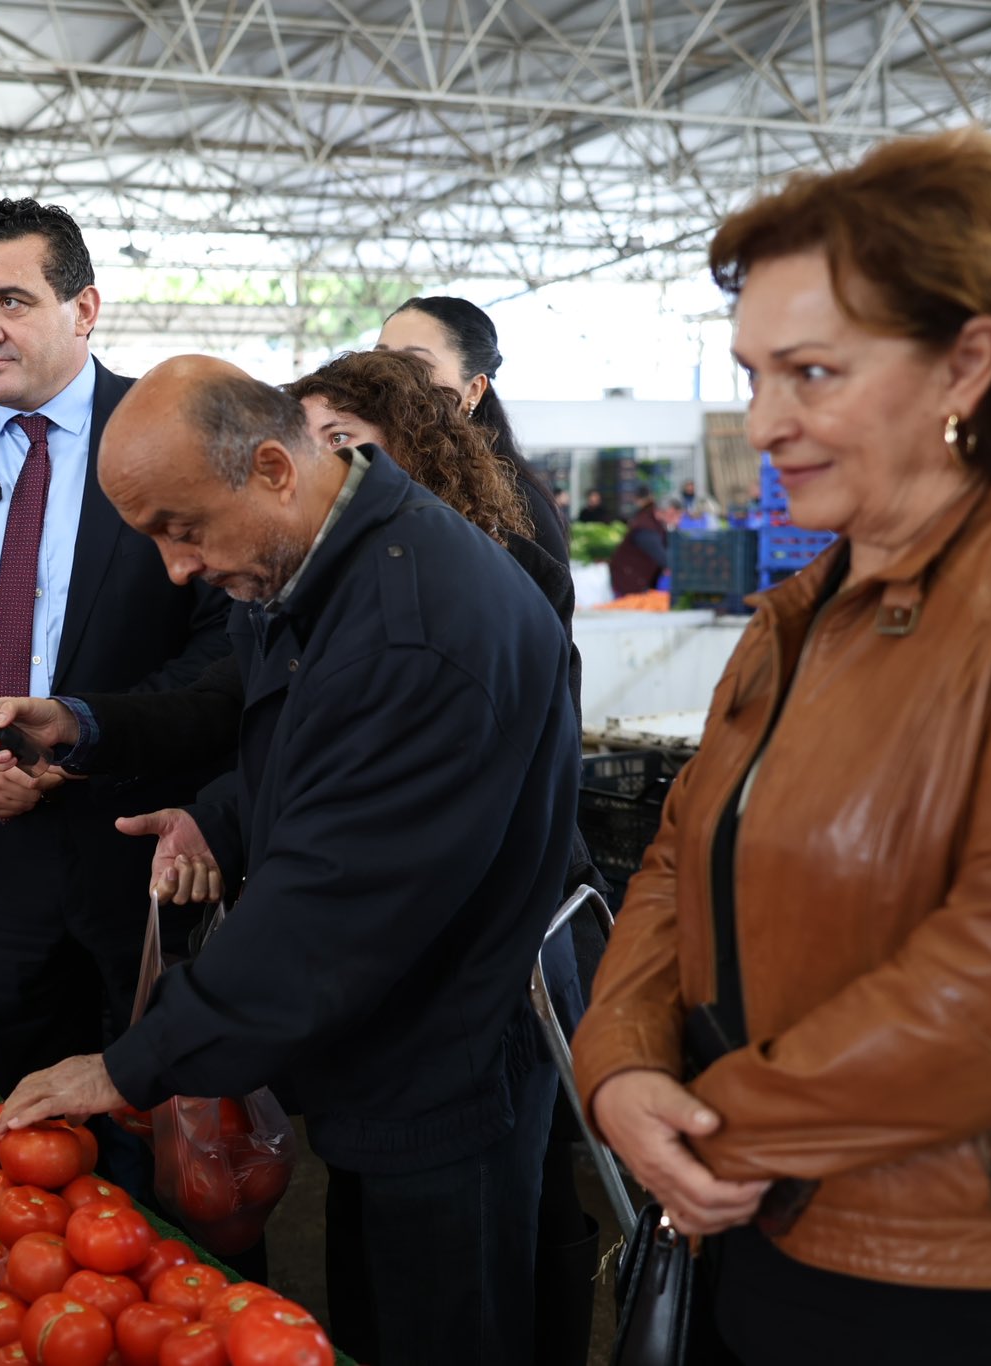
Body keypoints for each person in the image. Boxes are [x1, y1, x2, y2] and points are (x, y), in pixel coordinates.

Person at [0, 357, 578, 1363]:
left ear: (271, 467)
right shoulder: (317, 566)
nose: (176, 567)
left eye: (182, 528)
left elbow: (326, 912)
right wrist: (198, 804)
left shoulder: (410, 631)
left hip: (450, 1057)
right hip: (389, 1045)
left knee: (442, 1323)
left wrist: (126, 1064)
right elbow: (277, 734)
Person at [573, 128, 991, 1364]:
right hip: (753, 1222)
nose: (763, 420)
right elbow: (676, 859)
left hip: (946, 1272)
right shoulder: (801, 610)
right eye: (751, 373)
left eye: (812, 374)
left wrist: (715, 1123)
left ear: (966, 362)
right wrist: (619, 1067)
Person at [0, 199, 230, 1088]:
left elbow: (224, 646)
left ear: (84, 310)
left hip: (140, 846)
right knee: (15, 1142)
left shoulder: (168, 429)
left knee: (173, 1130)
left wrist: (91, 728)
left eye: (11, 302)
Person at [291, 349, 606, 1366]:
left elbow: (387, 857)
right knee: (395, 1273)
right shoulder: (337, 596)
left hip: (476, 1002)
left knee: (470, 1269)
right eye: (313, 450)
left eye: (351, 448)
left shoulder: (456, 602)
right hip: (390, 1029)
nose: (328, 474)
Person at [378, 296, 570, 570]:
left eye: (414, 362)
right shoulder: (365, 471)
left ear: (473, 390)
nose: (387, 375)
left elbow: (546, 610)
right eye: (380, 357)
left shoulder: (515, 502)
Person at [607, 491, 679, 595]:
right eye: (672, 515)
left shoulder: (656, 524)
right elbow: (661, 556)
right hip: (629, 580)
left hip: (638, 579)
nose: (676, 520)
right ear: (659, 512)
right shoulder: (645, 528)